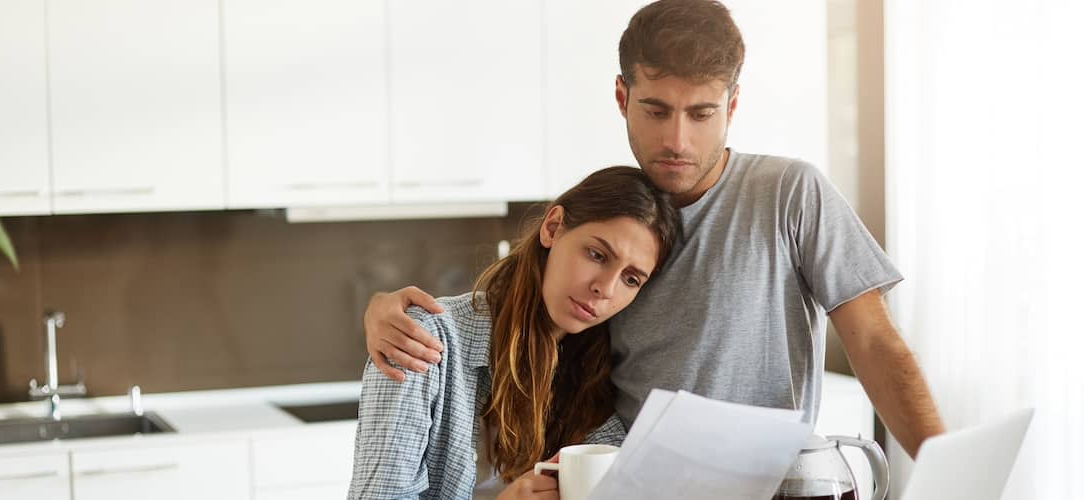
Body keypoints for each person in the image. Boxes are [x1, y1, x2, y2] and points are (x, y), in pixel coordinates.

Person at [362, 0, 945, 460]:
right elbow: (515, 310)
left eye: (701, 114)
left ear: (733, 105)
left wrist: (944, 470)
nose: (677, 142)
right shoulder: (610, 218)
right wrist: (390, 313)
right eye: (656, 110)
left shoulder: (791, 194)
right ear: (622, 97)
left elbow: (874, 343)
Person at [348, 167, 681, 500]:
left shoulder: (594, 369)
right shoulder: (420, 342)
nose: (605, 289)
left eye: (631, 279)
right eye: (597, 254)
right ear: (553, 228)